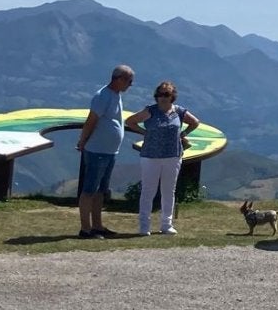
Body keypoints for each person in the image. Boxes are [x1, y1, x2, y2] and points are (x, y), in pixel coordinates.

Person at [124, 80, 200, 235]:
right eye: (160, 94)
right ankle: (144, 226)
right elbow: (130, 121)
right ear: (156, 96)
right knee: (148, 191)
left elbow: (195, 122)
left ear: (172, 96)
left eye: (166, 94)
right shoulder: (150, 111)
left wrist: (183, 134)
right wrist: (144, 132)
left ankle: (166, 224)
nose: (163, 97)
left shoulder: (179, 111)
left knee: (168, 191)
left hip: (173, 156)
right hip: (150, 156)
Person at [74, 64, 134, 239]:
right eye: (129, 81)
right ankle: (85, 229)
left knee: (101, 190)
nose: (130, 85)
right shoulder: (102, 96)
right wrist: (83, 140)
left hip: (109, 152)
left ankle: (98, 226)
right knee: (89, 190)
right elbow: (91, 120)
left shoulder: (116, 96)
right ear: (119, 79)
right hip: (97, 151)